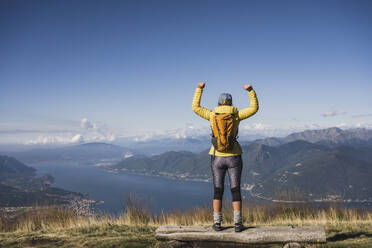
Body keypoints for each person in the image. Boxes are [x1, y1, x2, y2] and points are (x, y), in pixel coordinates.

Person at [191, 82, 259, 232]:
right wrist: (250, 91)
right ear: (231, 103)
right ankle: (237, 224)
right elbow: (254, 108)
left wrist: (199, 89)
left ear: (219, 103)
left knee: (218, 190)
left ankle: (217, 223)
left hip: (216, 157)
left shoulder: (211, 115)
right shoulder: (236, 115)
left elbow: (195, 107)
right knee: (235, 190)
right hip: (234, 156)